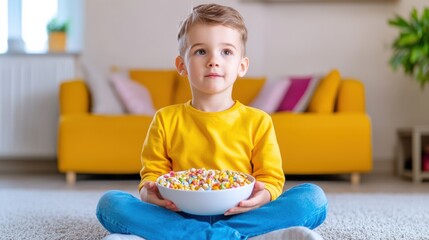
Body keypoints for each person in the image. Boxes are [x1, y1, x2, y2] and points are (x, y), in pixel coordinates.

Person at [96, 3, 328, 240]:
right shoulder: (165, 119)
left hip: (240, 214)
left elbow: (271, 178)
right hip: (180, 214)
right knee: (110, 203)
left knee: (313, 198)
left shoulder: (258, 121)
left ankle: (197, 236)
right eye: (200, 51)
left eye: (226, 52)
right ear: (182, 65)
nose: (213, 61)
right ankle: (230, 237)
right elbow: (153, 175)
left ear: (242, 66)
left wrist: (264, 195)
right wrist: (150, 192)